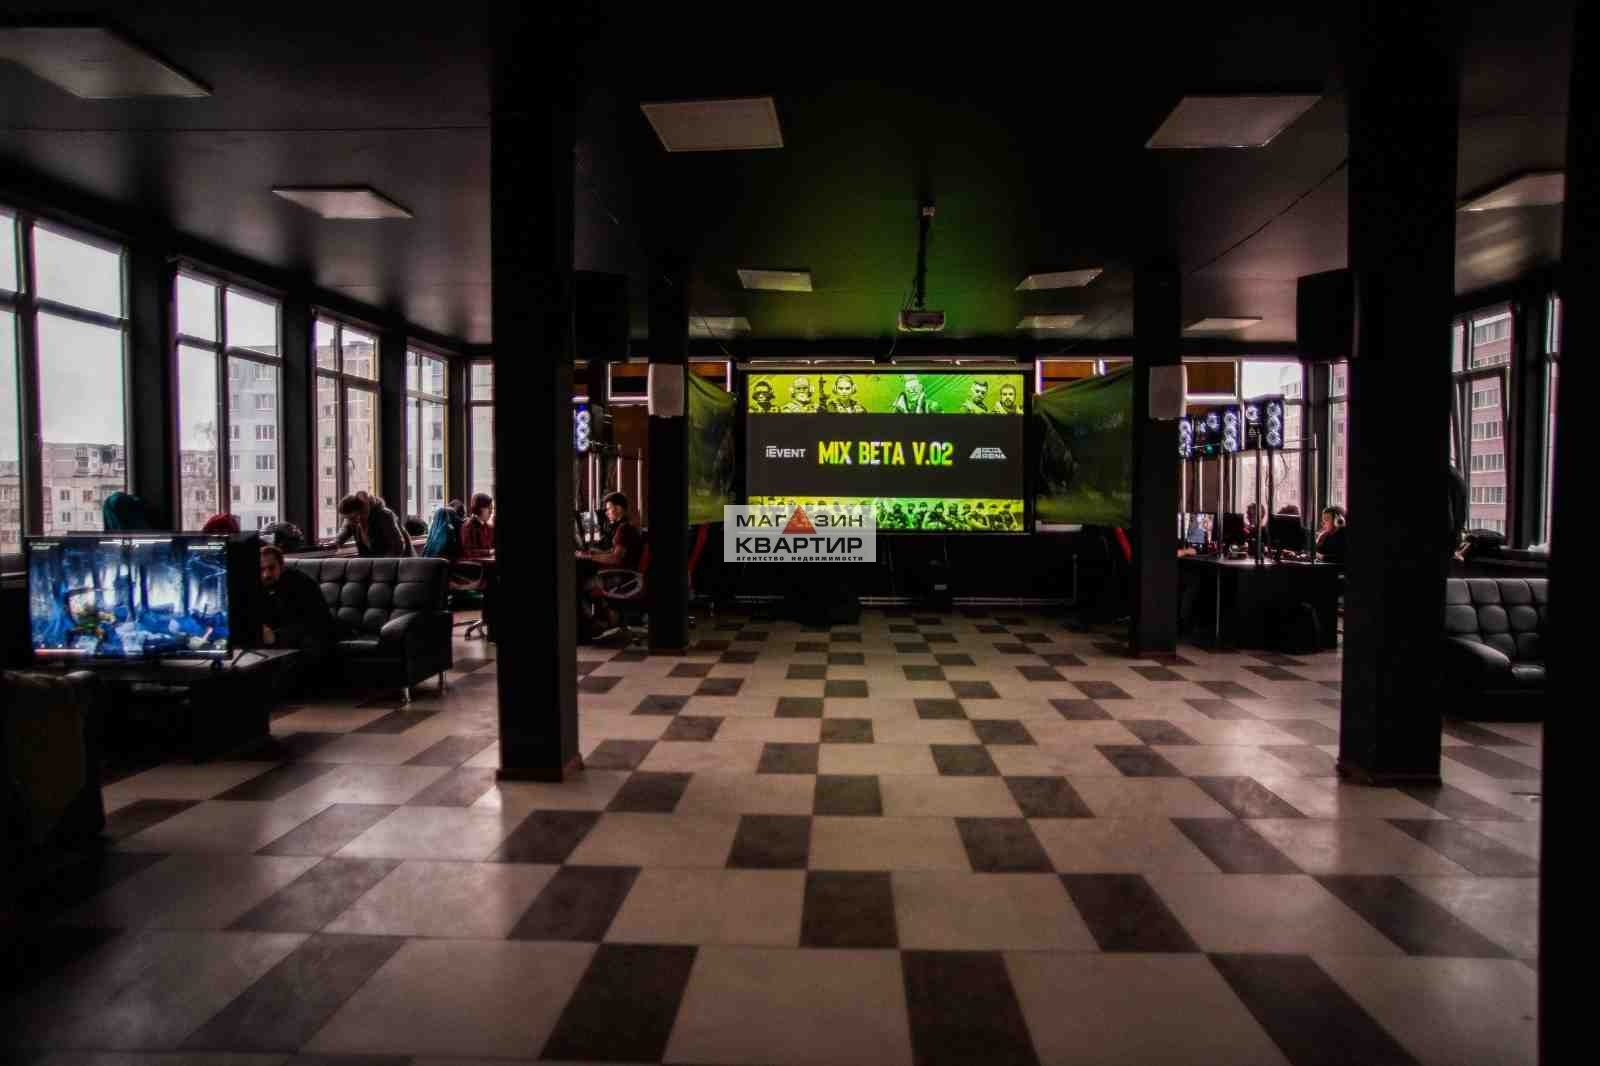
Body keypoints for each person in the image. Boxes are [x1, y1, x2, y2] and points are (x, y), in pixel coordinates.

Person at [257, 544, 334, 691]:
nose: (266, 574)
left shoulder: (301, 583)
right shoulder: (256, 586)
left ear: (281, 566)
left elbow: (314, 622)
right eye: (261, 569)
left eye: (271, 568)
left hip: (313, 633)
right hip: (279, 636)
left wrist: (275, 636)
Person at [335, 491, 414, 557]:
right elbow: (342, 535)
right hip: (379, 563)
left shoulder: (384, 515)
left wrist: (384, 564)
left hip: (402, 561)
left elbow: (398, 546)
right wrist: (336, 542)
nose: (349, 521)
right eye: (346, 518)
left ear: (359, 512)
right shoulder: (352, 521)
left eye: (351, 518)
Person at [461, 493, 495, 559]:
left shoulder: (488, 526)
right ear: (479, 509)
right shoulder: (468, 527)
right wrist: (489, 552)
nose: (491, 512)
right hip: (477, 563)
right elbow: (468, 552)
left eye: (491, 508)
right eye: (489, 508)